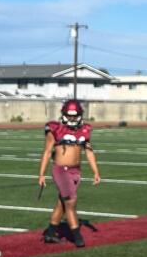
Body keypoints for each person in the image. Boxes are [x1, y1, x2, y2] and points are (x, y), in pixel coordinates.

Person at [38, 99, 101, 247]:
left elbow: (89, 151)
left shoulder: (85, 129)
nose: (72, 118)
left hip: (75, 171)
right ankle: (77, 236)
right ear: (64, 114)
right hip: (61, 170)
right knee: (71, 202)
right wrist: (41, 174)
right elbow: (47, 152)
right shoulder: (55, 129)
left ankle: (50, 233)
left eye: (75, 115)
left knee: (62, 203)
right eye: (69, 115)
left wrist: (95, 172)